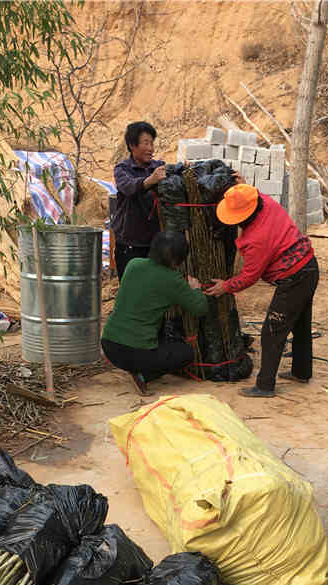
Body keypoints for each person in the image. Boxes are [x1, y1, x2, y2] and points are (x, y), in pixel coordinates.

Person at [205, 183, 319, 398]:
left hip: (294, 279)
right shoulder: (266, 202)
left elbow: (249, 276)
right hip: (309, 267)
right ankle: (301, 372)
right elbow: (252, 194)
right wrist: (240, 191)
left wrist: (225, 286)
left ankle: (265, 386)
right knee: (300, 325)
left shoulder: (256, 239)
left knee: (272, 331)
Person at [101, 231, 207, 395]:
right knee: (186, 353)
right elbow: (200, 308)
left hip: (109, 344)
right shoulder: (173, 280)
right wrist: (196, 289)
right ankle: (143, 375)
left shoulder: (134, 264)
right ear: (177, 260)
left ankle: (136, 366)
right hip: (135, 352)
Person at [111, 121, 167, 280]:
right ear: (132, 145)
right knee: (131, 286)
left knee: (152, 287)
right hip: (129, 243)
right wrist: (150, 180)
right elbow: (128, 187)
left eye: (152, 143)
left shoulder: (158, 167)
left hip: (154, 242)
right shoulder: (122, 169)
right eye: (146, 143)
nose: (151, 148)